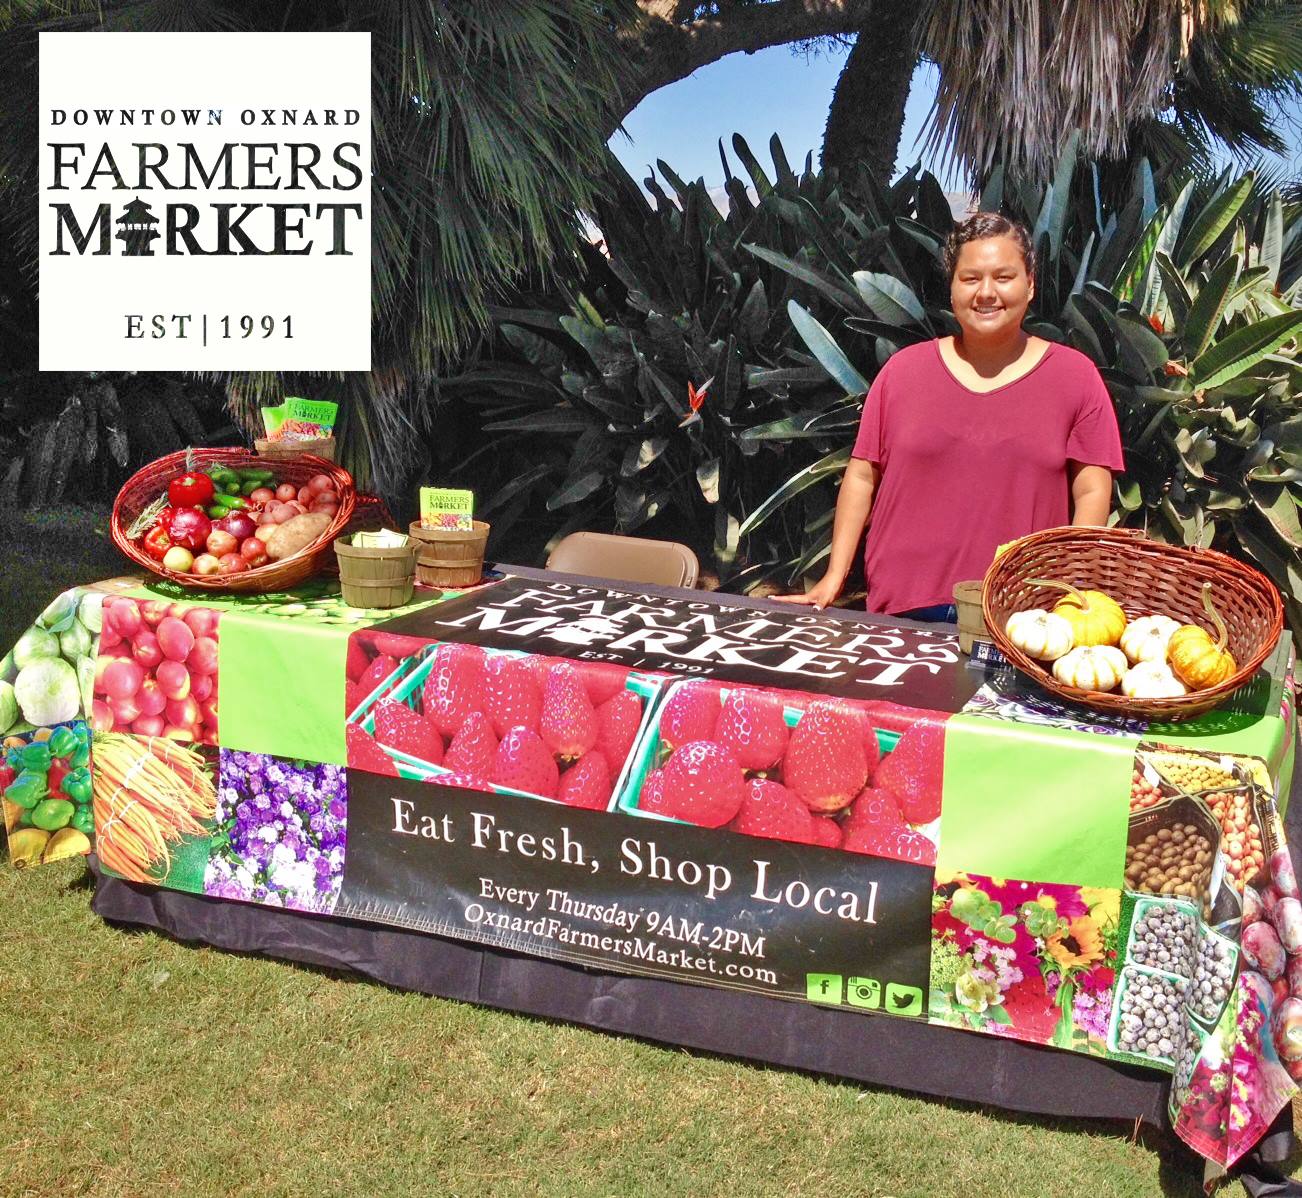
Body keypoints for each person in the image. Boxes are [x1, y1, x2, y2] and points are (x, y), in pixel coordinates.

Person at [775, 211, 1124, 621]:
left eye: (1004, 277)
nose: (986, 292)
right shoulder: (903, 373)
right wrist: (834, 576)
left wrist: (1071, 588)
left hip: (1020, 612)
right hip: (902, 603)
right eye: (971, 278)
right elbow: (862, 474)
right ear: (953, 288)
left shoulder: (1074, 376)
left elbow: (1091, 492)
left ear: (1030, 285)